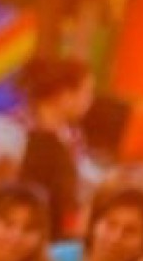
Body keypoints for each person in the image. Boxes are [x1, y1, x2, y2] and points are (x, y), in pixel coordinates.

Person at [16, 56, 96, 239]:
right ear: (63, 95)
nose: (91, 100)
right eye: (87, 92)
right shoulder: (17, 128)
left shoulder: (73, 135)